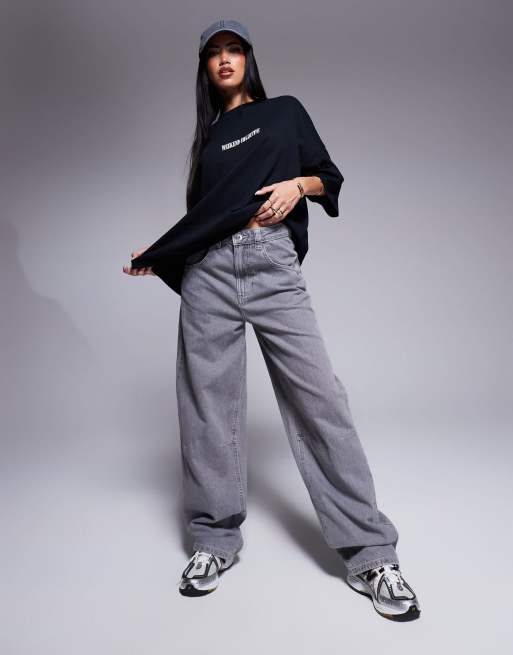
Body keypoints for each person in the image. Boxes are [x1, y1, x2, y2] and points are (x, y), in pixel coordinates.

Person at [124, 19, 421, 621]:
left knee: (320, 401)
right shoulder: (209, 141)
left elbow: (329, 177)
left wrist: (297, 186)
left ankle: (370, 554)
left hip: (270, 262)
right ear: (205, 69)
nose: (224, 60)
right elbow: (205, 217)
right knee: (207, 406)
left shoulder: (285, 111)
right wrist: (162, 253)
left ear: (249, 59)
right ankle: (212, 540)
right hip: (209, 274)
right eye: (214, 54)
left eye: (234, 50)